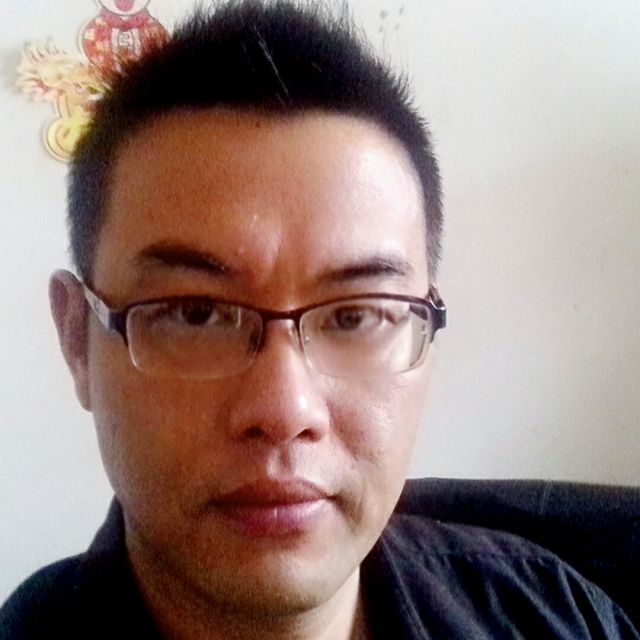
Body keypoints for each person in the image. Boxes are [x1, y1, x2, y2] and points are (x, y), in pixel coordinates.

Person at [1, 2, 637, 638]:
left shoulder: (554, 614)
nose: (285, 410)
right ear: (77, 340)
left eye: (356, 316)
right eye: (196, 314)